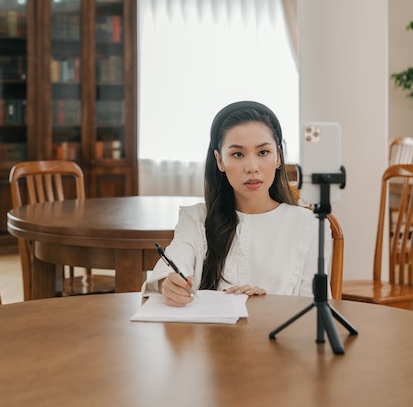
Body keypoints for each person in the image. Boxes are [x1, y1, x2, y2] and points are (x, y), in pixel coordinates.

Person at [142, 101, 331, 307]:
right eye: (238, 154)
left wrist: (265, 307)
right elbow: (174, 263)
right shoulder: (196, 219)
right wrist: (167, 284)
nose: (251, 167)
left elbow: (316, 310)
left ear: (278, 156)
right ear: (220, 160)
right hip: (211, 338)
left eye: (263, 152)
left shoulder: (310, 225)